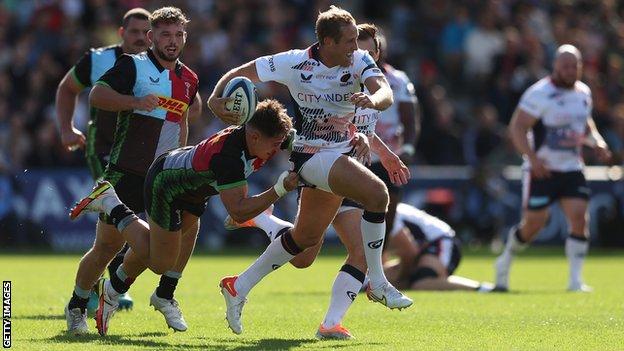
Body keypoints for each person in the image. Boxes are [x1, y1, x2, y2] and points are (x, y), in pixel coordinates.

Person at [208, 6, 413, 336]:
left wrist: (374, 101)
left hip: (339, 156)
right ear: (327, 42)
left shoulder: (359, 60)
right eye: (348, 41)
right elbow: (240, 73)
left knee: (303, 244)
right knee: (378, 194)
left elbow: (384, 90)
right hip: (310, 157)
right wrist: (216, 98)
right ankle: (378, 282)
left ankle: (238, 286)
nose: (354, 47)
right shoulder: (293, 62)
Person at [71, 99, 298, 336]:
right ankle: (111, 203)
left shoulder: (259, 138)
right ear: (254, 136)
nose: (277, 150)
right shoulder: (230, 156)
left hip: (194, 188)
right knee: (160, 262)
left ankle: (125, 293)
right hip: (167, 185)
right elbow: (238, 210)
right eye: (274, 144)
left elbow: (290, 140)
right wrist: (279, 189)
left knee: (175, 240)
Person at [63, 7, 200, 336]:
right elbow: (97, 95)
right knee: (106, 248)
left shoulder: (189, 79)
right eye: (165, 34)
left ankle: (159, 293)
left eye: (178, 34)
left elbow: (181, 120)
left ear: (185, 37)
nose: (172, 41)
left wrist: (179, 160)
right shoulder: (132, 65)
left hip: (163, 176)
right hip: (126, 171)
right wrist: (136, 103)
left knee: (179, 233)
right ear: (151, 37)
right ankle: (77, 305)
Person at [55, 7, 151, 314]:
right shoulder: (98, 60)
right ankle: (104, 289)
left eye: (144, 33)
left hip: (138, 154)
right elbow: (67, 88)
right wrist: (66, 127)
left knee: (120, 221)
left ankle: (102, 287)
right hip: (103, 149)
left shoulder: (158, 66)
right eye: (133, 32)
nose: (139, 38)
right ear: (122, 34)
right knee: (117, 212)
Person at [494, 44, 611, 292]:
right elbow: (517, 128)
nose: (570, 71)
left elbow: (585, 124)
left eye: (574, 66)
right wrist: (533, 159)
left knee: (579, 217)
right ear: (556, 66)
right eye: (565, 66)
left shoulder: (583, 92)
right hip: (543, 170)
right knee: (534, 225)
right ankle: (505, 260)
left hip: (571, 167)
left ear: (580, 67)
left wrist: (597, 141)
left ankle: (575, 280)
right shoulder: (539, 94)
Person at [383, 203, 494, 292]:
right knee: (383, 277)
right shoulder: (377, 212)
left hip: (441, 241)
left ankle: (484, 289)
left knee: (422, 283)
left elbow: (410, 252)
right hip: (423, 248)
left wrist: (401, 278)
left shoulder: (388, 215)